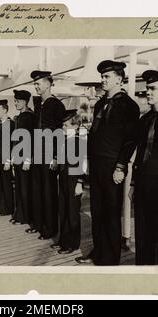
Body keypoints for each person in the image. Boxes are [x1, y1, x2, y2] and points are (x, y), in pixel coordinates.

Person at [75, 60, 140, 266]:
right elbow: (95, 134)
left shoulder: (129, 105)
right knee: (97, 210)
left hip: (113, 166)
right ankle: (98, 251)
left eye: (107, 77)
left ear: (119, 79)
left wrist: (121, 166)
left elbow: (130, 140)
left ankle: (110, 259)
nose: (103, 80)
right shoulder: (101, 103)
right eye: (102, 77)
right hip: (97, 165)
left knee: (111, 213)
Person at [127, 70, 158, 265]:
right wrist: (134, 184)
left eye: (153, 88)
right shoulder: (145, 120)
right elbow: (139, 153)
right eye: (147, 88)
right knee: (142, 234)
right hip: (144, 184)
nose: (148, 92)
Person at [30, 70, 66, 240]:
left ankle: (50, 229)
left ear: (48, 84)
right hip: (37, 154)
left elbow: (60, 132)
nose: (36, 86)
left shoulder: (56, 105)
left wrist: (57, 157)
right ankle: (39, 224)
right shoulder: (39, 105)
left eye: (38, 83)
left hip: (49, 154)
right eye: (35, 83)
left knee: (48, 192)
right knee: (37, 191)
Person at [51, 109, 86, 254]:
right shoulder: (65, 141)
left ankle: (73, 243)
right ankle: (63, 240)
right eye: (62, 125)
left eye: (66, 125)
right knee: (63, 210)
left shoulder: (79, 142)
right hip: (64, 177)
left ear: (76, 126)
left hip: (74, 180)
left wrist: (79, 183)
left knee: (72, 213)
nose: (63, 128)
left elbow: (83, 165)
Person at [11, 90, 35, 227]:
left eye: (18, 101)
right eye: (15, 101)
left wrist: (27, 159)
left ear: (25, 102)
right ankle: (19, 214)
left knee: (26, 188)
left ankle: (26, 216)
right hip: (18, 156)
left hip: (25, 157)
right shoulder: (19, 117)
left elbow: (30, 139)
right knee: (19, 187)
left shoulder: (28, 117)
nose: (16, 103)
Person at [0, 99, 15, 217]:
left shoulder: (11, 124)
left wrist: (9, 160)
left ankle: (8, 208)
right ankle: (1, 207)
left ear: (5, 110)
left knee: (6, 184)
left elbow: (12, 144)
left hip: (5, 158)